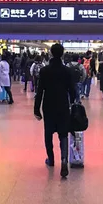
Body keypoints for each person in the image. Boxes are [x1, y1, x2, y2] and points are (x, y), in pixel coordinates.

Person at [34, 43, 76, 178]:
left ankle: (51, 159)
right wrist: (74, 103)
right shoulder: (67, 71)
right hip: (63, 105)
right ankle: (64, 159)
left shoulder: (45, 71)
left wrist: (36, 109)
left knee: (48, 133)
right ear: (62, 54)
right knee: (63, 134)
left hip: (49, 105)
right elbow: (73, 91)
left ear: (51, 53)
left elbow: (40, 91)